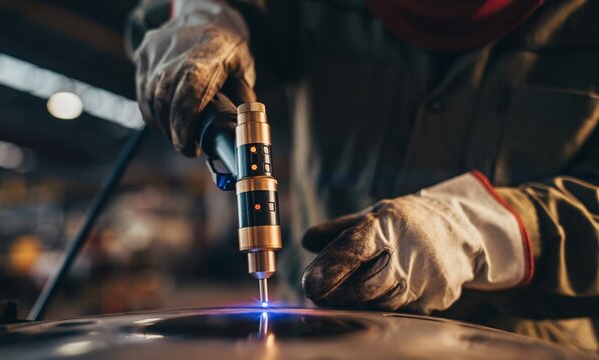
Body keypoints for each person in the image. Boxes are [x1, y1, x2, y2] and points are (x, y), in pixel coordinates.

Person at [126, 0, 599, 351]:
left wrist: (475, 235)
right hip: (317, 338)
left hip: (515, 346)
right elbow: (179, 17)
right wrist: (198, 18)